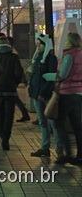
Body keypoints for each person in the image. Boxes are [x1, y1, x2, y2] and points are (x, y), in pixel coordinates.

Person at [29, 34, 59, 159]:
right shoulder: (37, 57)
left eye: (39, 44)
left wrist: (43, 93)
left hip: (45, 95)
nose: (38, 46)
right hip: (37, 94)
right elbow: (34, 75)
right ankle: (45, 147)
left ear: (45, 45)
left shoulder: (51, 58)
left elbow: (51, 78)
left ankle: (59, 148)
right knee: (43, 122)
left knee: (52, 122)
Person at [54, 32, 82, 165]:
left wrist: (56, 77)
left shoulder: (69, 55)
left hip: (66, 93)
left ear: (69, 41)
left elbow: (63, 74)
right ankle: (80, 155)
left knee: (59, 122)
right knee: (77, 125)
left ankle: (67, 153)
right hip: (79, 93)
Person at [0, 37, 23, 151]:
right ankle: (6, 139)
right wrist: (14, 83)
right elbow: (18, 73)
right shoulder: (14, 57)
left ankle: (0, 131)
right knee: (9, 116)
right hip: (10, 91)